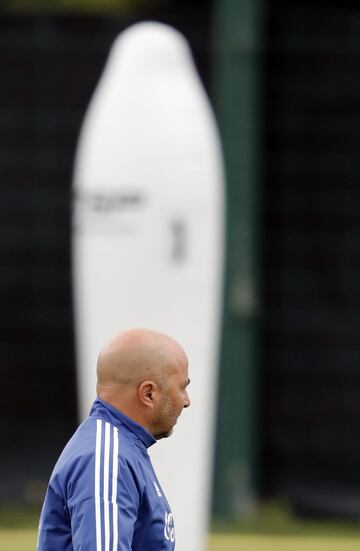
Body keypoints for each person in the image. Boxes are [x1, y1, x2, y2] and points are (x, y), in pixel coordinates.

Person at [37, 328, 190, 551]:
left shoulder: (122, 449)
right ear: (148, 394)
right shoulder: (105, 459)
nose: (187, 401)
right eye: (182, 387)